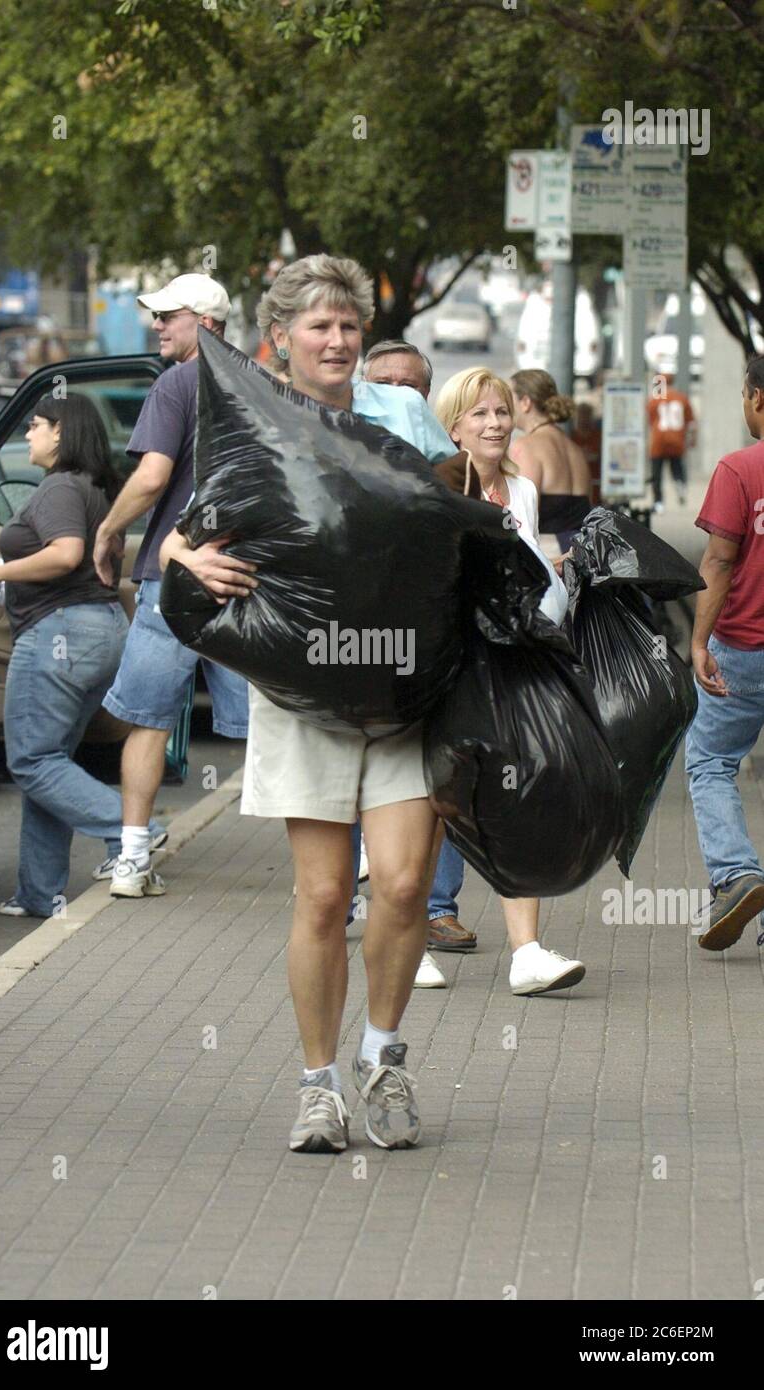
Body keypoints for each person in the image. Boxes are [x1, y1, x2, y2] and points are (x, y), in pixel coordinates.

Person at [161, 254, 455, 1154]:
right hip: (304, 693)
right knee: (325, 897)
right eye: (318, 326)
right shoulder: (249, 422)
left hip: (409, 688)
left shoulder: (399, 412)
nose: (336, 340)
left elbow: (453, 512)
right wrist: (188, 562)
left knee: (403, 885)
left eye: (347, 325)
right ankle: (318, 1084)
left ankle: (385, 1056)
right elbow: (184, 531)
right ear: (278, 339)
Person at [0, 395, 163, 918]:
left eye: (34, 425)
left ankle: (135, 833)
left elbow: (66, 553)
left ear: (62, 433)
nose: (27, 434)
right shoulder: (95, 489)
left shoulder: (57, 487)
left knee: (31, 760)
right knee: (49, 760)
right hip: (98, 632)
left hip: (60, 636)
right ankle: (37, 892)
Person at [92, 274, 250, 899]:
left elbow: (154, 477)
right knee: (282, 725)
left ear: (204, 324)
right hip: (247, 577)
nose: (157, 326)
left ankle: (131, 860)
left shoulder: (177, 383)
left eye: (168, 317)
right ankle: (331, 878)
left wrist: (108, 529)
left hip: (175, 575)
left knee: (149, 720)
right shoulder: (261, 383)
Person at [433, 366, 586, 996]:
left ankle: (526, 954)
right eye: (479, 415)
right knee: (436, 805)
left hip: (514, 665)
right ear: (454, 426)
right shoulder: (440, 486)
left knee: (516, 799)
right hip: (449, 668)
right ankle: (411, 935)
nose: (495, 423)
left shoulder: (522, 490)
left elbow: (528, 575)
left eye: (500, 412)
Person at [362, 340, 478, 986]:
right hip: (352, 650)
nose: (399, 395)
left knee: (437, 780)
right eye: (386, 385)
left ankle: (433, 910)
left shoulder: (448, 468)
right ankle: (381, 899)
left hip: (428, 648)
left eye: (412, 385)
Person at [685, 353, 764, 950]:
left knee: (710, 760)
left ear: (757, 399)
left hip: (742, 645)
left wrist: (697, 640)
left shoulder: (740, 469)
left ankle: (736, 874)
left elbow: (717, 560)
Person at [509, 369, 592, 555]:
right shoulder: (575, 450)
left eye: (509, 398)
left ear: (525, 403)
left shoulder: (526, 448)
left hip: (548, 559)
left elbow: (523, 517)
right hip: (580, 557)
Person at [647, 373, 697, 512]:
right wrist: (692, 439)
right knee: (677, 467)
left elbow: (650, 421)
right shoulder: (682, 398)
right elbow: (691, 422)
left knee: (657, 474)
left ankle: (658, 502)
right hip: (677, 439)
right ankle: (680, 484)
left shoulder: (654, 400)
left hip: (659, 440)